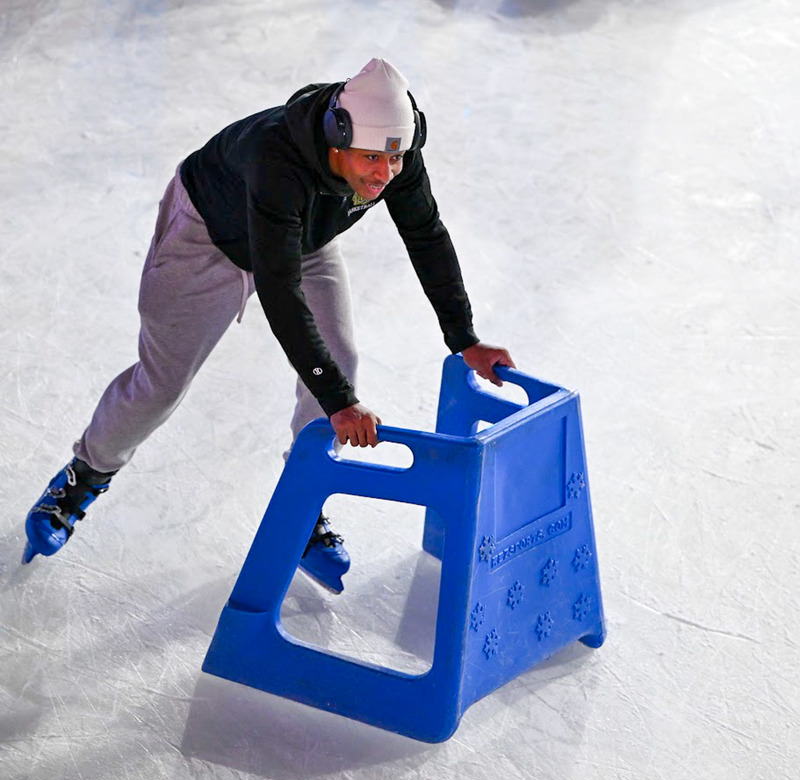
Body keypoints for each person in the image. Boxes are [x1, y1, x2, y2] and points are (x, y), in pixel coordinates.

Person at [23, 58, 515, 590]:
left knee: (340, 361)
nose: (384, 173)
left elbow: (426, 235)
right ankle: (84, 475)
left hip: (300, 238)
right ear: (337, 138)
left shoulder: (395, 152)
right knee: (161, 385)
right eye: (372, 158)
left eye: (395, 158)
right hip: (209, 236)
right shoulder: (274, 157)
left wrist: (463, 337)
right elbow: (280, 290)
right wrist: (338, 400)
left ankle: (305, 498)